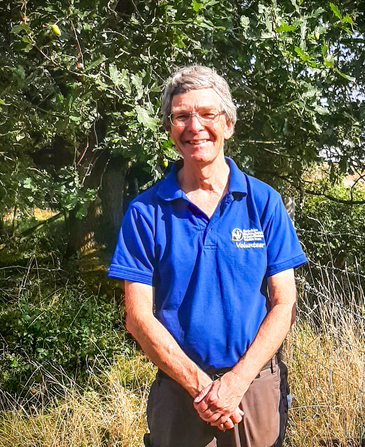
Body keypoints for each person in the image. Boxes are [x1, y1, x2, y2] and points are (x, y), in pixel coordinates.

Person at [108, 65, 307, 447]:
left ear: (228, 125)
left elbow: (285, 304)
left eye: (207, 113)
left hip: (254, 386)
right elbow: (137, 316)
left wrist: (235, 382)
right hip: (179, 390)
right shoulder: (145, 211)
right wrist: (203, 387)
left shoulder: (264, 202)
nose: (194, 125)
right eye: (182, 116)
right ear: (170, 129)